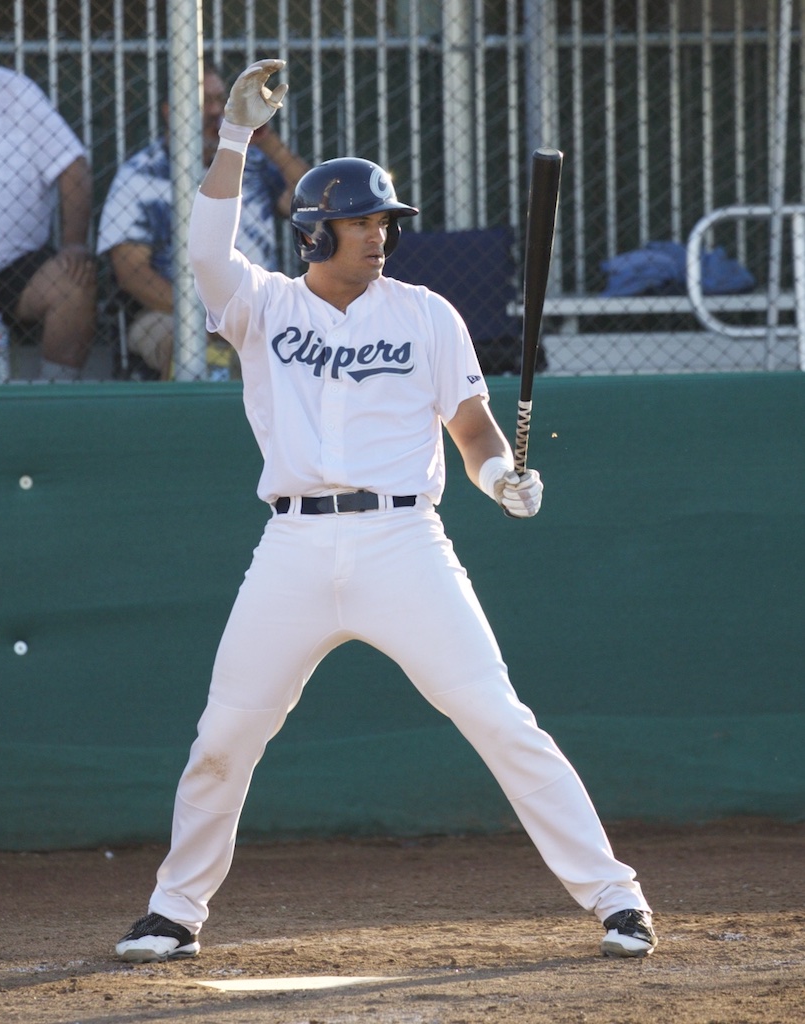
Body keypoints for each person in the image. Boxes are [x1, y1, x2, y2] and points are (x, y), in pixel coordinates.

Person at [115, 59, 658, 964]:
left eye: (383, 221)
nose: (379, 235)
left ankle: (617, 898)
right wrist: (234, 136)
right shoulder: (260, 306)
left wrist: (499, 478)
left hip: (405, 541)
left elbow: (473, 428)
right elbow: (205, 250)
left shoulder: (425, 314)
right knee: (225, 736)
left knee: (498, 718)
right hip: (293, 545)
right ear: (314, 231)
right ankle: (174, 912)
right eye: (362, 222)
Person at [97, 61, 308, 381]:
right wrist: (204, 317)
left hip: (261, 307)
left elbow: (313, 203)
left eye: (221, 100)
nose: (215, 111)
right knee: (184, 344)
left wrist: (265, 139)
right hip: (169, 315)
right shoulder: (139, 176)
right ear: (171, 111)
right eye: (203, 101)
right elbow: (131, 272)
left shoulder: (256, 163)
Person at [0, 55, 96, 381]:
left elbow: (73, 166)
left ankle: (57, 400)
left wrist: (74, 243)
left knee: (74, 283)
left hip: (15, 268)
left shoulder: (14, 92)